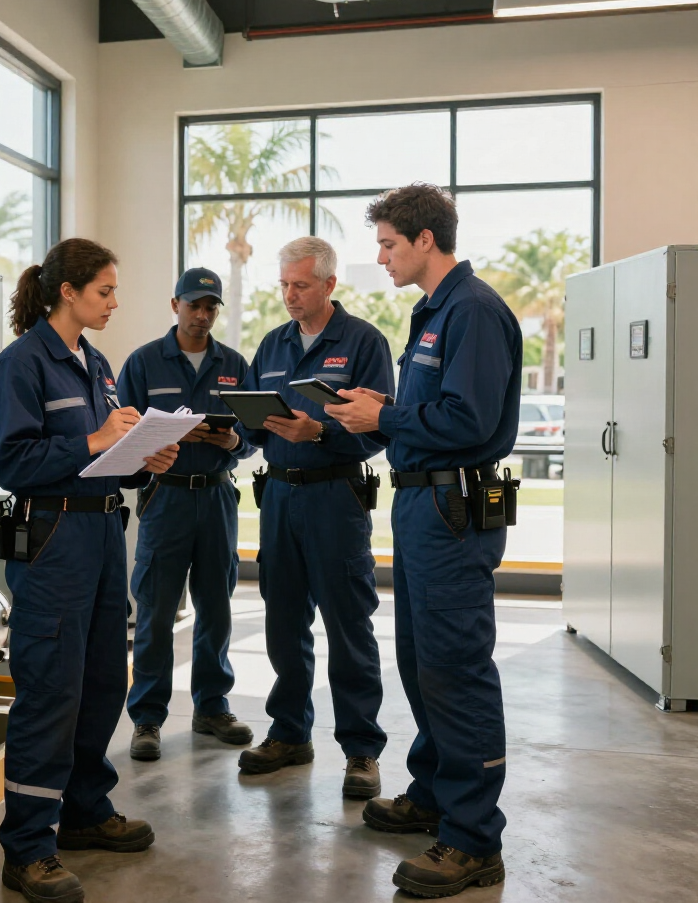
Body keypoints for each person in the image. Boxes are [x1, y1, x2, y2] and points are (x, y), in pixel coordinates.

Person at [324, 184, 522, 898]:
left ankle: (473, 839)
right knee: (421, 660)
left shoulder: (471, 311)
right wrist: (376, 419)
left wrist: (387, 413)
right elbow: (428, 416)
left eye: (387, 244)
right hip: (421, 505)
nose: (379, 257)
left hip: (452, 508)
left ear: (426, 241)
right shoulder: (434, 312)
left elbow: (466, 422)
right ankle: (435, 793)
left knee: (456, 667)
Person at [0, 238, 179, 903]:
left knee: (100, 682)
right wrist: (97, 439)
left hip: (100, 529)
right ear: (67, 291)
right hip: (54, 537)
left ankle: (85, 810)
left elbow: (97, 455)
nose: (114, 303)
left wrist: (140, 453)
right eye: (104, 292)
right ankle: (29, 847)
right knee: (50, 690)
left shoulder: (94, 364)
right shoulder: (21, 366)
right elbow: (14, 463)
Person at [234, 236, 394, 800]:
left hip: (335, 499)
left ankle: (361, 749)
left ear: (329, 285)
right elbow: (255, 424)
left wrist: (320, 431)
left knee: (349, 625)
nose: (290, 295)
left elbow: (380, 429)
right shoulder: (273, 344)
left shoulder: (363, 343)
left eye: (300, 285)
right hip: (278, 498)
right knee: (283, 622)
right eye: (283, 284)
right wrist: (236, 426)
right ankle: (290, 734)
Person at [117, 267, 256, 761]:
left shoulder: (235, 364)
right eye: (194, 305)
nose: (202, 315)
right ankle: (148, 717)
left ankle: (212, 706)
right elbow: (121, 431)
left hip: (217, 497)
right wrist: (160, 439)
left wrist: (232, 439)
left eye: (211, 307)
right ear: (174, 304)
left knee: (216, 607)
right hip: (166, 497)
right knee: (155, 609)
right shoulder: (143, 364)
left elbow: (254, 434)